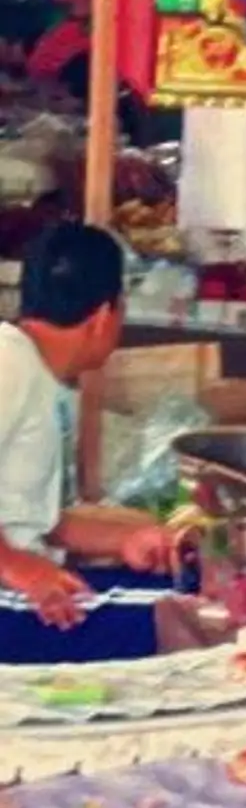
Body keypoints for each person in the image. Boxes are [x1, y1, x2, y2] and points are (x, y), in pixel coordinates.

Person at [0, 225, 179, 640]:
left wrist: (126, 540)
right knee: (189, 614)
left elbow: (42, 522)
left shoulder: (36, 373)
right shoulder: (9, 366)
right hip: (12, 604)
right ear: (103, 317)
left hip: (29, 590)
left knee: (182, 603)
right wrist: (18, 567)